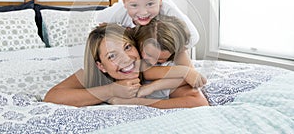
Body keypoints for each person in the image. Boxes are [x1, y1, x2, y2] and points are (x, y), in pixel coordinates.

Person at [44, 23, 209, 108]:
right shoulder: (99, 74)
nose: (125, 60)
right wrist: (111, 90)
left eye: (127, 47)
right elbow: (52, 97)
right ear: (101, 66)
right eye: (112, 56)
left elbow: (198, 102)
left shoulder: (149, 69)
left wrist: (139, 102)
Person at [96, 0, 200, 83]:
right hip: (141, 47)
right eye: (134, 5)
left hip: (165, 47)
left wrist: (170, 48)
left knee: (180, 47)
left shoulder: (167, 9)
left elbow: (193, 37)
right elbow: (98, 20)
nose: (143, 12)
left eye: (150, 4)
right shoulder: (117, 13)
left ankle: (192, 78)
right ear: (124, 2)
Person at [133, 15, 207, 99]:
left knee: (196, 97)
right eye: (149, 55)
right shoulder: (134, 47)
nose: (153, 62)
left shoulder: (177, 50)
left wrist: (153, 86)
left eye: (160, 59)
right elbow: (147, 73)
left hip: (161, 90)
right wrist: (184, 71)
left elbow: (194, 79)